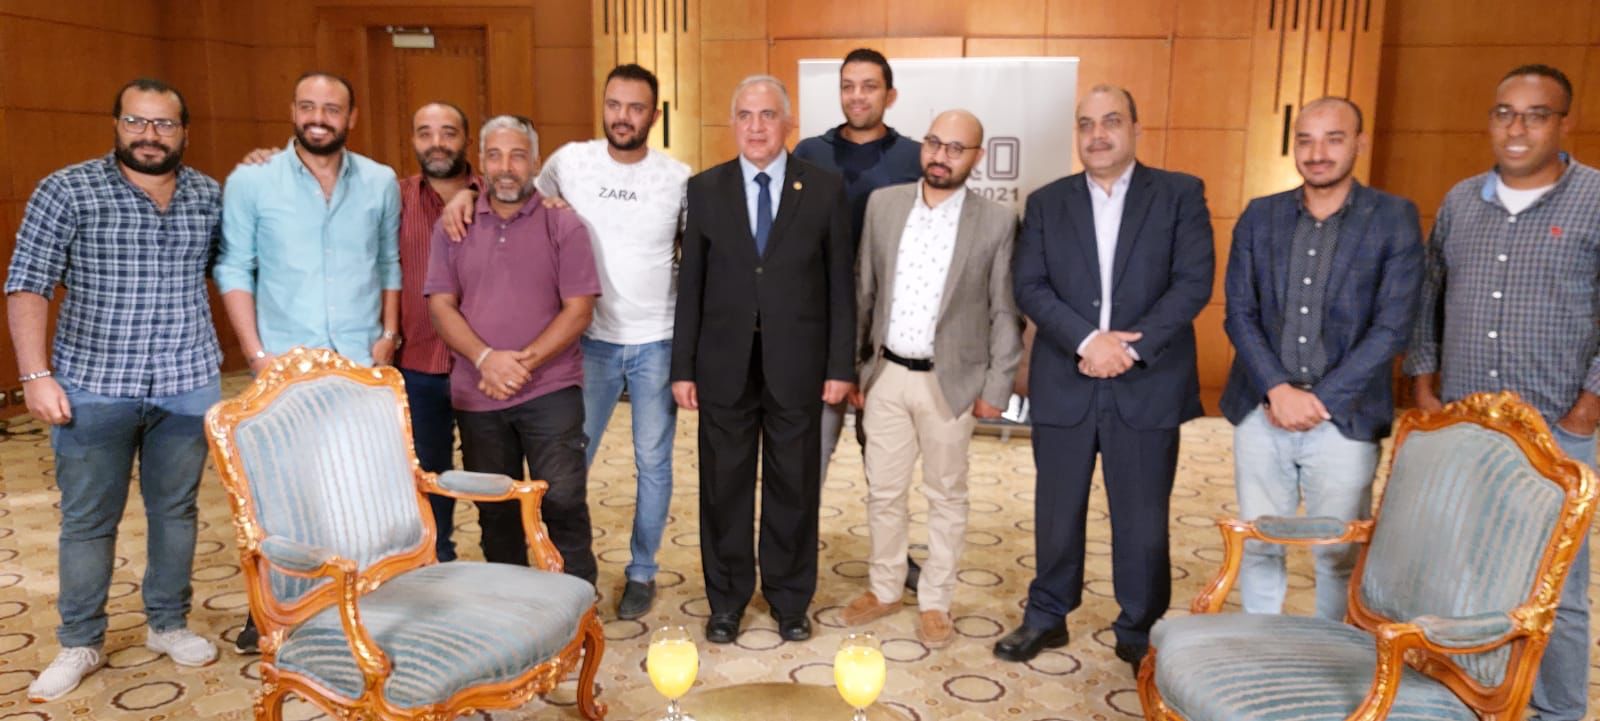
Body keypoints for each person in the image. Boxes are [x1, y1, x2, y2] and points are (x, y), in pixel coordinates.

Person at [8, 78, 222, 702]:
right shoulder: (67, 189)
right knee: (88, 521)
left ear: (184, 132)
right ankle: (80, 640)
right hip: (93, 387)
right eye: (136, 121)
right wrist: (34, 374)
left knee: (176, 512)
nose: (149, 135)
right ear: (117, 125)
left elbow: (237, 271)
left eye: (164, 124)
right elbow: (27, 282)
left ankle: (167, 623)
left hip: (186, 384)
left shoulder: (209, 196)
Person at [999, 85, 1214, 675]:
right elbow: (1030, 285)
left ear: (1136, 129)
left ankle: (1139, 625)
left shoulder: (1179, 194)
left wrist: (1127, 348)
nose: (1097, 135)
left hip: (1147, 381)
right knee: (1055, 510)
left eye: (1111, 121)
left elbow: (1193, 283)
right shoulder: (1047, 202)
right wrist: (1087, 340)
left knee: (1142, 517)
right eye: (1086, 124)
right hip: (1065, 378)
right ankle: (1047, 615)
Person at [1405, 63, 1597, 721]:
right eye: (1504, 112)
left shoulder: (1595, 199)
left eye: (1536, 114)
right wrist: (1424, 385)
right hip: (1466, 429)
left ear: (1564, 122)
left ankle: (1558, 710)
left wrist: (1588, 406)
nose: (1517, 128)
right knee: (1462, 570)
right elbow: (1430, 297)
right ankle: (1469, 699)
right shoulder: (1461, 201)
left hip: (1556, 431)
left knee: (1556, 586)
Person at [214, 71, 401, 654]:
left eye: (332, 108)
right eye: (308, 106)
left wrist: (388, 333)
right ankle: (277, 609)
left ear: (351, 117)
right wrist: (255, 353)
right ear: (293, 111)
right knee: (283, 496)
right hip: (283, 367)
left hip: (357, 364)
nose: (319, 118)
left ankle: (363, 605)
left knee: (361, 489)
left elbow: (389, 262)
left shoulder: (380, 181)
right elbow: (233, 267)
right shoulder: (252, 181)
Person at [1221, 97, 1422, 620]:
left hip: (1346, 417)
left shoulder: (1393, 218)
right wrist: (1278, 389)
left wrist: (1320, 401)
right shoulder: (1260, 215)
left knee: (1337, 554)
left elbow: (1392, 327)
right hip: (1262, 409)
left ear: (1359, 143)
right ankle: (1262, 648)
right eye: (1306, 140)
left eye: (1334, 139)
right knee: (1260, 543)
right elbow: (1239, 313)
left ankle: (1333, 655)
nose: (1318, 153)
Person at [672, 75, 855, 644]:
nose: (756, 126)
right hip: (722, 364)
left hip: (798, 364)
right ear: (733, 123)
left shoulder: (824, 188)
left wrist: (840, 366)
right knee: (722, 487)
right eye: (746, 115)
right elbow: (691, 286)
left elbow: (841, 285)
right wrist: (682, 367)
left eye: (768, 115)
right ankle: (726, 600)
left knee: (793, 486)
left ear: (787, 123)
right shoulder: (705, 189)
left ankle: (789, 599)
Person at [838, 109, 1023, 649]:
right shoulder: (884, 205)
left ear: (977, 157)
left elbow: (1005, 312)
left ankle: (936, 600)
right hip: (887, 375)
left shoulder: (996, 221)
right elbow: (863, 291)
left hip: (952, 383)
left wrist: (996, 388)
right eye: (935, 143)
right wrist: (856, 368)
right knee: (883, 492)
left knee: (946, 495)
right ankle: (885, 588)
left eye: (956, 148)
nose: (941, 156)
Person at [531, 64, 689, 619]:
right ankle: (563, 565)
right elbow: (522, 204)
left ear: (654, 115)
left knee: (654, 463)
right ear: (603, 106)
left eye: (636, 107)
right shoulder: (569, 162)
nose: (623, 117)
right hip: (589, 340)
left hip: (658, 341)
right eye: (615, 105)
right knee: (572, 460)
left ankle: (642, 571)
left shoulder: (678, 178)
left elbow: (693, 254)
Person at [425, 114, 601, 585]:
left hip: (551, 389)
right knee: (495, 510)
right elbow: (441, 305)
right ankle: (513, 605)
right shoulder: (454, 226)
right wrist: (486, 360)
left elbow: (579, 310)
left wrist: (521, 364)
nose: (506, 167)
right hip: (477, 393)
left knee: (563, 501)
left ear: (536, 163)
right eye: (496, 156)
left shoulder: (563, 223)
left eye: (518, 156)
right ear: (481, 162)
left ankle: (577, 603)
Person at [794, 46, 926, 591]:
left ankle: (895, 560)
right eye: (848, 85)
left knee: (887, 463)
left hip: (888, 336)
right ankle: (791, 562)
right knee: (807, 459)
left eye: (869, 86)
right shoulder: (809, 153)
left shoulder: (916, 157)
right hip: (818, 334)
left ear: (889, 95)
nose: (857, 96)